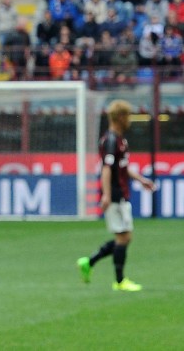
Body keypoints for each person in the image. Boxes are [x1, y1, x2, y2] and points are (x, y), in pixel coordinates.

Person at [77, 100, 156, 291]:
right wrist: (106, 194)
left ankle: (89, 262)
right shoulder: (111, 140)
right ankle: (119, 281)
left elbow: (122, 168)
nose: (130, 120)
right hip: (114, 194)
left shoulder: (120, 140)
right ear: (120, 117)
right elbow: (106, 168)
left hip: (121, 193)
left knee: (125, 237)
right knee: (123, 237)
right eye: (127, 116)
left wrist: (141, 180)